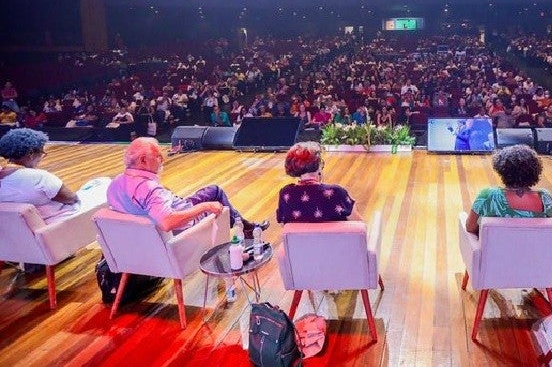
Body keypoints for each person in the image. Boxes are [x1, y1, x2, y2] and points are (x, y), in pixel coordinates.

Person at [107, 137, 268, 237]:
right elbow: (167, 223)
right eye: (158, 156)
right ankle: (246, 228)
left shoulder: (115, 183)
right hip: (184, 229)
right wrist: (205, 206)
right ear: (143, 160)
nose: (162, 160)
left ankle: (245, 226)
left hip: (148, 235)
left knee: (214, 190)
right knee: (216, 197)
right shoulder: (150, 189)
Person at [0, 128, 108, 224]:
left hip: (27, 227)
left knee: (94, 184)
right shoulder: (38, 177)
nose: (41, 158)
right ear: (31, 153)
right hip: (61, 221)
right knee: (104, 183)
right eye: (41, 153)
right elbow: (71, 199)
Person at [465, 145, 552, 234]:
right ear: (535, 172)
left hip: (497, 247)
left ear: (502, 171)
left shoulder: (489, 195)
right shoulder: (545, 197)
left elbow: (470, 228)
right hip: (537, 247)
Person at [275, 142, 362, 224]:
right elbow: (359, 224)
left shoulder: (286, 193)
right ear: (319, 165)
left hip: (300, 236)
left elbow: (283, 223)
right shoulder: (337, 192)